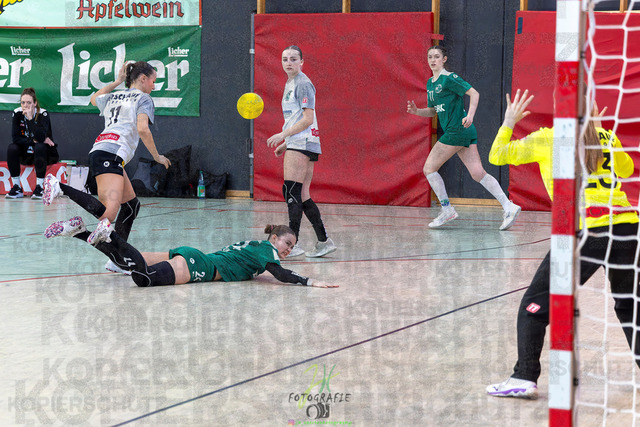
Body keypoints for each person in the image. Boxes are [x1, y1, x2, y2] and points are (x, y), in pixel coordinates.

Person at [486, 89, 640, 399]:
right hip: (627, 228)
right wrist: (601, 131)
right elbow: (626, 169)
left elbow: (497, 156)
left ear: (561, 106)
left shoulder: (549, 138)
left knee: (533, 307)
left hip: (586, 231)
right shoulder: (607, 137)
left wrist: (509, 121)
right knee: (629, 307)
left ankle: (524, 377)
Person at [42, 61, 171, 274]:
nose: (154, 86)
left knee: (131, 206)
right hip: (111, 154)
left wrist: (117, 81)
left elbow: (94, 98)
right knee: (108, 215)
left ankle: (116, 261)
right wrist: (157, 156)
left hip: (103, 152)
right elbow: (143, 129)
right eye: (153, 81)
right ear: (143, 79)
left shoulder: (114, 96)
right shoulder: (144, 98)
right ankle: (60, 189)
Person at [44, 216, 337, 289]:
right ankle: (111, 235)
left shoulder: (256, 247)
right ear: (274, 238)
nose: (288, 250)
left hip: (195, 255)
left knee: (127, 262)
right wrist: (310, 281)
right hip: (200, 266)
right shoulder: (267, 252)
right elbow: (281, 274)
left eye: (291, 246)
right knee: (143, 279)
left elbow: (262, 269)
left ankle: (79, 231)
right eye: (287, 244)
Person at [406, 45, 521, 230]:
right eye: (430, 57)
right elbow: (433, 111)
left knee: (429, 168)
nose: (433, 60)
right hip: (463, 132)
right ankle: (509, 206)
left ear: (444, 59)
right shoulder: (430, 84)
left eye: (436, 56)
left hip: (457, 130)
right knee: (477, 173)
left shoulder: (449, 78)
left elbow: (474, 93)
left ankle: (447, 210)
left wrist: (471, 116)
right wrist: (417, 111)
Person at [266, 45, 337, 258]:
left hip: (303, 142)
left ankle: (291, 244)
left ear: (302, 62)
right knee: (302, 195)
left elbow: (307, 118)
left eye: (293, 59)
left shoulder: (303, 83)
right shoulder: (290, 83)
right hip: (301, 142)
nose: (288, 62)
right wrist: (286, 143)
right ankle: (324, 241)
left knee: (291, 191)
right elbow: (296, 118)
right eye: (285, 59)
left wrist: (283, 135)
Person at [5, 88, 59, 199]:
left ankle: (39, 187)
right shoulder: (17, 113)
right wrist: (33, 140)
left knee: (40, 146)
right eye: (23, 102)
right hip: (26, 151)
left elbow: (41, 138)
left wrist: (30, 119)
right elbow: (15, 138)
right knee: (12, 148)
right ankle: (17, 187)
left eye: (29, 102)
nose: (25, 105)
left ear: (35, 103)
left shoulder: (43, 114)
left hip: (43, 153)